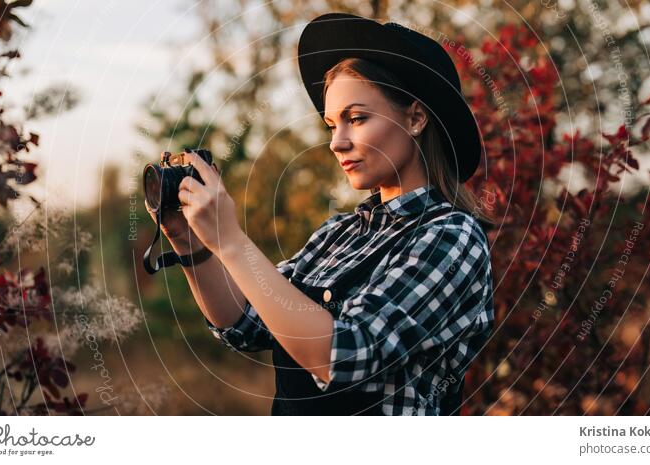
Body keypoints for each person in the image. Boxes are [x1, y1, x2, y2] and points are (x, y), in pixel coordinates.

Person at [145, 12, 494, 415]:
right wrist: (193, 245)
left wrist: (231, 241)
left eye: (356, 118)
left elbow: (344, 354)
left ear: (416, 118)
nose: (336, 143)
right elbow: (246, 323)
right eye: (331, 125)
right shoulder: (338, 234)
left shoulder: (453, 237)